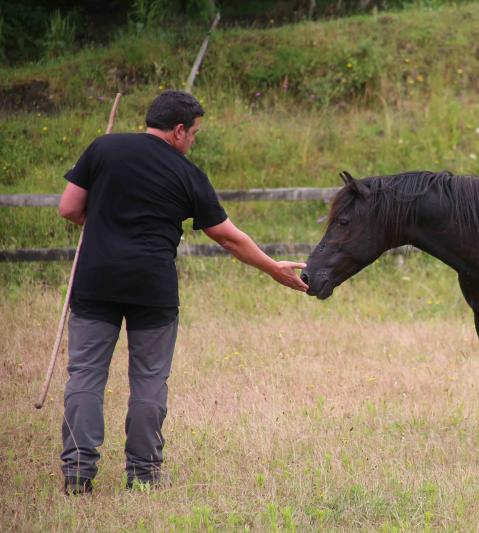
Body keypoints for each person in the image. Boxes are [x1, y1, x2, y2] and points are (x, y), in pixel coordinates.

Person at [57, 90, 308, 495]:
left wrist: (102, 219)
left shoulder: (103, 148)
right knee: (149, 381)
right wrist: (272, 267)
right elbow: (228, 237)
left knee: (85, 375)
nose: (192, 142)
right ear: (178, 131)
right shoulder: (188, 175)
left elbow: (69, 208)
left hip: (96, 280)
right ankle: (142, 474)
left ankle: (78, 473)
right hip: (153, 288)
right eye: (193, 134)